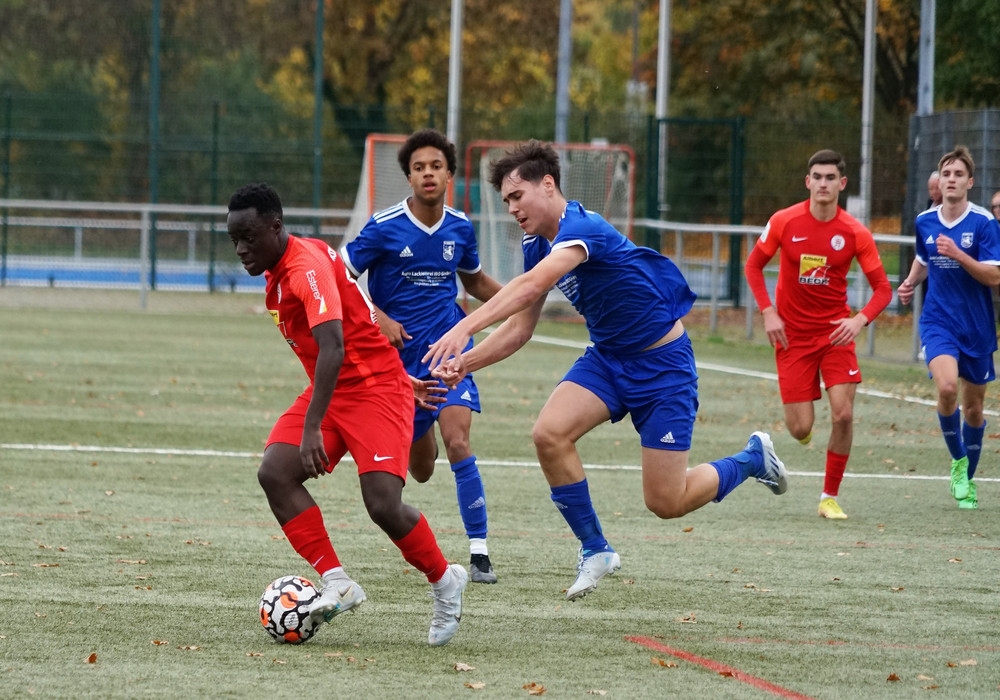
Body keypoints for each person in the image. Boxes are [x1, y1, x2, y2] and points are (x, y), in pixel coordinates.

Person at [422, 140, 788, 601]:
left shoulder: (582, 227)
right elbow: (520, 328)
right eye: (506, 201)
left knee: (666, 501)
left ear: (547, 184)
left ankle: (751, 459)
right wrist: (464, 362)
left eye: (517, 196)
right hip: (609, 359)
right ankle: (596, 549)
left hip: (663, 368)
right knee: (549, 434)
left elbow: (532, 285)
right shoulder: (536, 244)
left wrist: (464, 327)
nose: (512, 209)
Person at [226, 182, 467, 646]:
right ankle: (338, 581)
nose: (241, 249)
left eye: (249, 237)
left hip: (375, 391)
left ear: (276, 227)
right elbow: (358, 319)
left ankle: (445, 580)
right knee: (275, 472)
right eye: (234, 239)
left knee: (383, 505)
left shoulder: (306, 268)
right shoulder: (285, 267)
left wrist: (314, 427)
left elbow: (334, 347)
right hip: (336, 389)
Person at [341, 128, 503, 584]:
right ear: (409, 178)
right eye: (419, 168)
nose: (428, 174)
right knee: (423, 469)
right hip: (399, 362)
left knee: (459, 441)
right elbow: (341, 275)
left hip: (450, 351)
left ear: (449, 175)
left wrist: (524, 297)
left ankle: (480, 553)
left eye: (436, 166)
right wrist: (378, 317)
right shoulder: (384, 226)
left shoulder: (460, 227)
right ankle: (421, 427)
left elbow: (474, 281)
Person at [744, 149, 892, 521]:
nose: (823, 184)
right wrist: (768, 312)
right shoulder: (784, 221)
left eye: (830, 178)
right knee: (799, 429)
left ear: (842, 184)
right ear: (808, 181)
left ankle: (829, 497)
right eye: (818, 177)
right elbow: (753, 266)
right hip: (791, 337)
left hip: (835, 336)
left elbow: (882, 289)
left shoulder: (855, 232)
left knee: (843, 414)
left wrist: (858, 321)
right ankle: (803, 431)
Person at [898, 146, 1000, 510]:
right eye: (946, 174)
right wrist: (910, 282)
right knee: (946, 388)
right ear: (938, 182)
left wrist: (958, 254)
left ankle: (967, 479)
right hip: (938, 321)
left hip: (977, 327)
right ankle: (958, 462)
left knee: (973, 409)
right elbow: (924, 258)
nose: (951, 180)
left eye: (958, 174)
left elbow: (994, 276)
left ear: (970, 182)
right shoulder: (925, 221)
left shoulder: (984, 223)